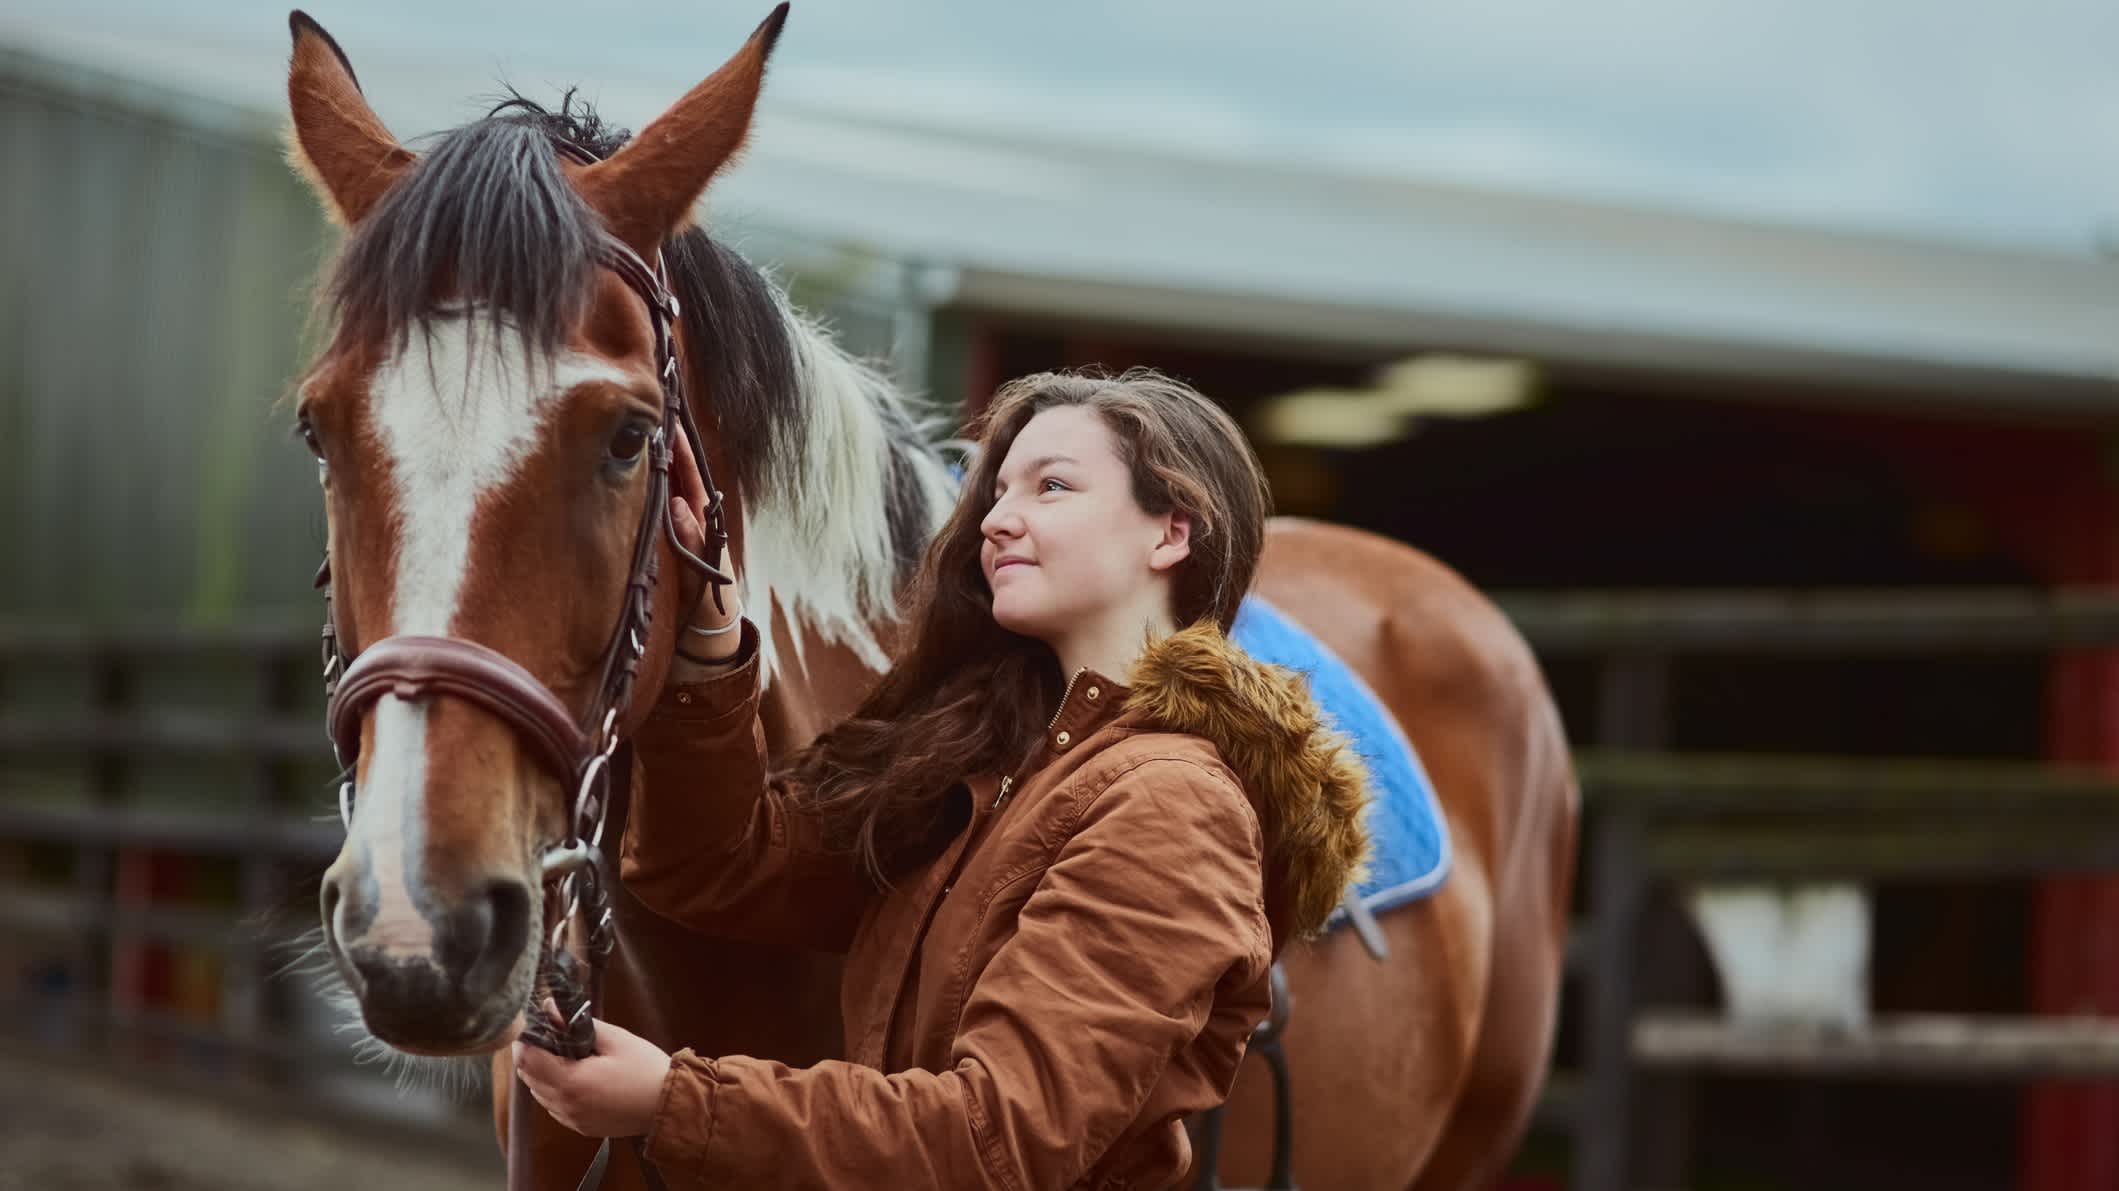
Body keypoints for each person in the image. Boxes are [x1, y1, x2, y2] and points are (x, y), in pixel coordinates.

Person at [514, 368, 1371, 1189]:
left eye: (1052, 487)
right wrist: (709, 648)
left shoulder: (1173, 804)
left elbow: (995, 1141)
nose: (997, 517)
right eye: (997, 491)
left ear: (1170, 531)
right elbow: (709, 867)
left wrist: (673, 1102)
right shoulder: (987, 762)